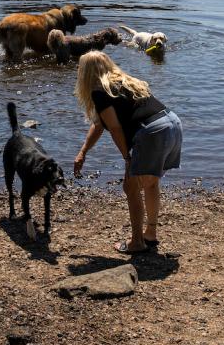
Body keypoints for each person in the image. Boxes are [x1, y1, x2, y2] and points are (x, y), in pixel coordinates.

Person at [73, 50, 182, 253]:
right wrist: (83, 152)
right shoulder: (126, 81)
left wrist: (127, 158)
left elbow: (114, 128)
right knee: (150, 182)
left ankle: (137, 242)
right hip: (172, 123)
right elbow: (99, 125)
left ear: (85, 73)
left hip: (152, 132)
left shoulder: (99, 91)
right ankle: (150, 234)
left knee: (131, 187)